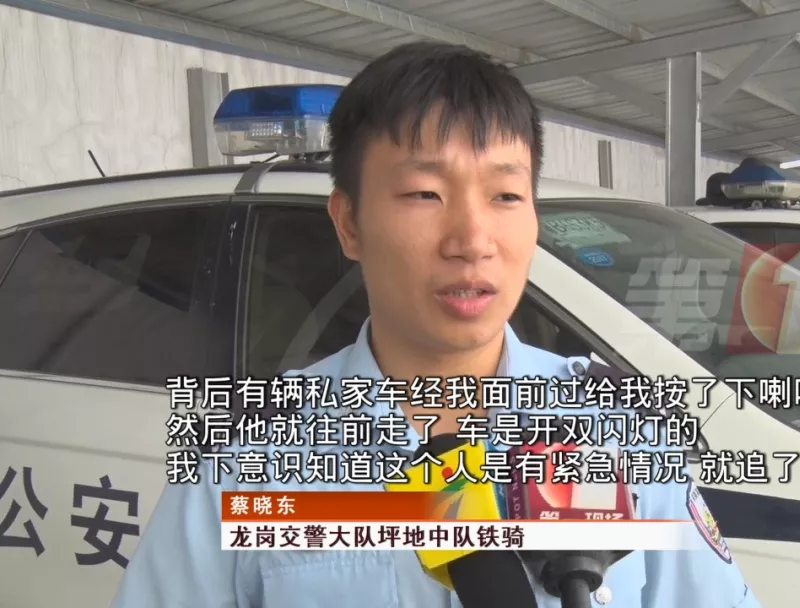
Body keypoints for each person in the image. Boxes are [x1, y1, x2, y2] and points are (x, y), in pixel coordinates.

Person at [112, 41, 762, 608]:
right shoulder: (246, 459)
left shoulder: (621, 431)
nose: (473, 240)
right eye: (425, 194)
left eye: (505, 195)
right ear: (349, 222)